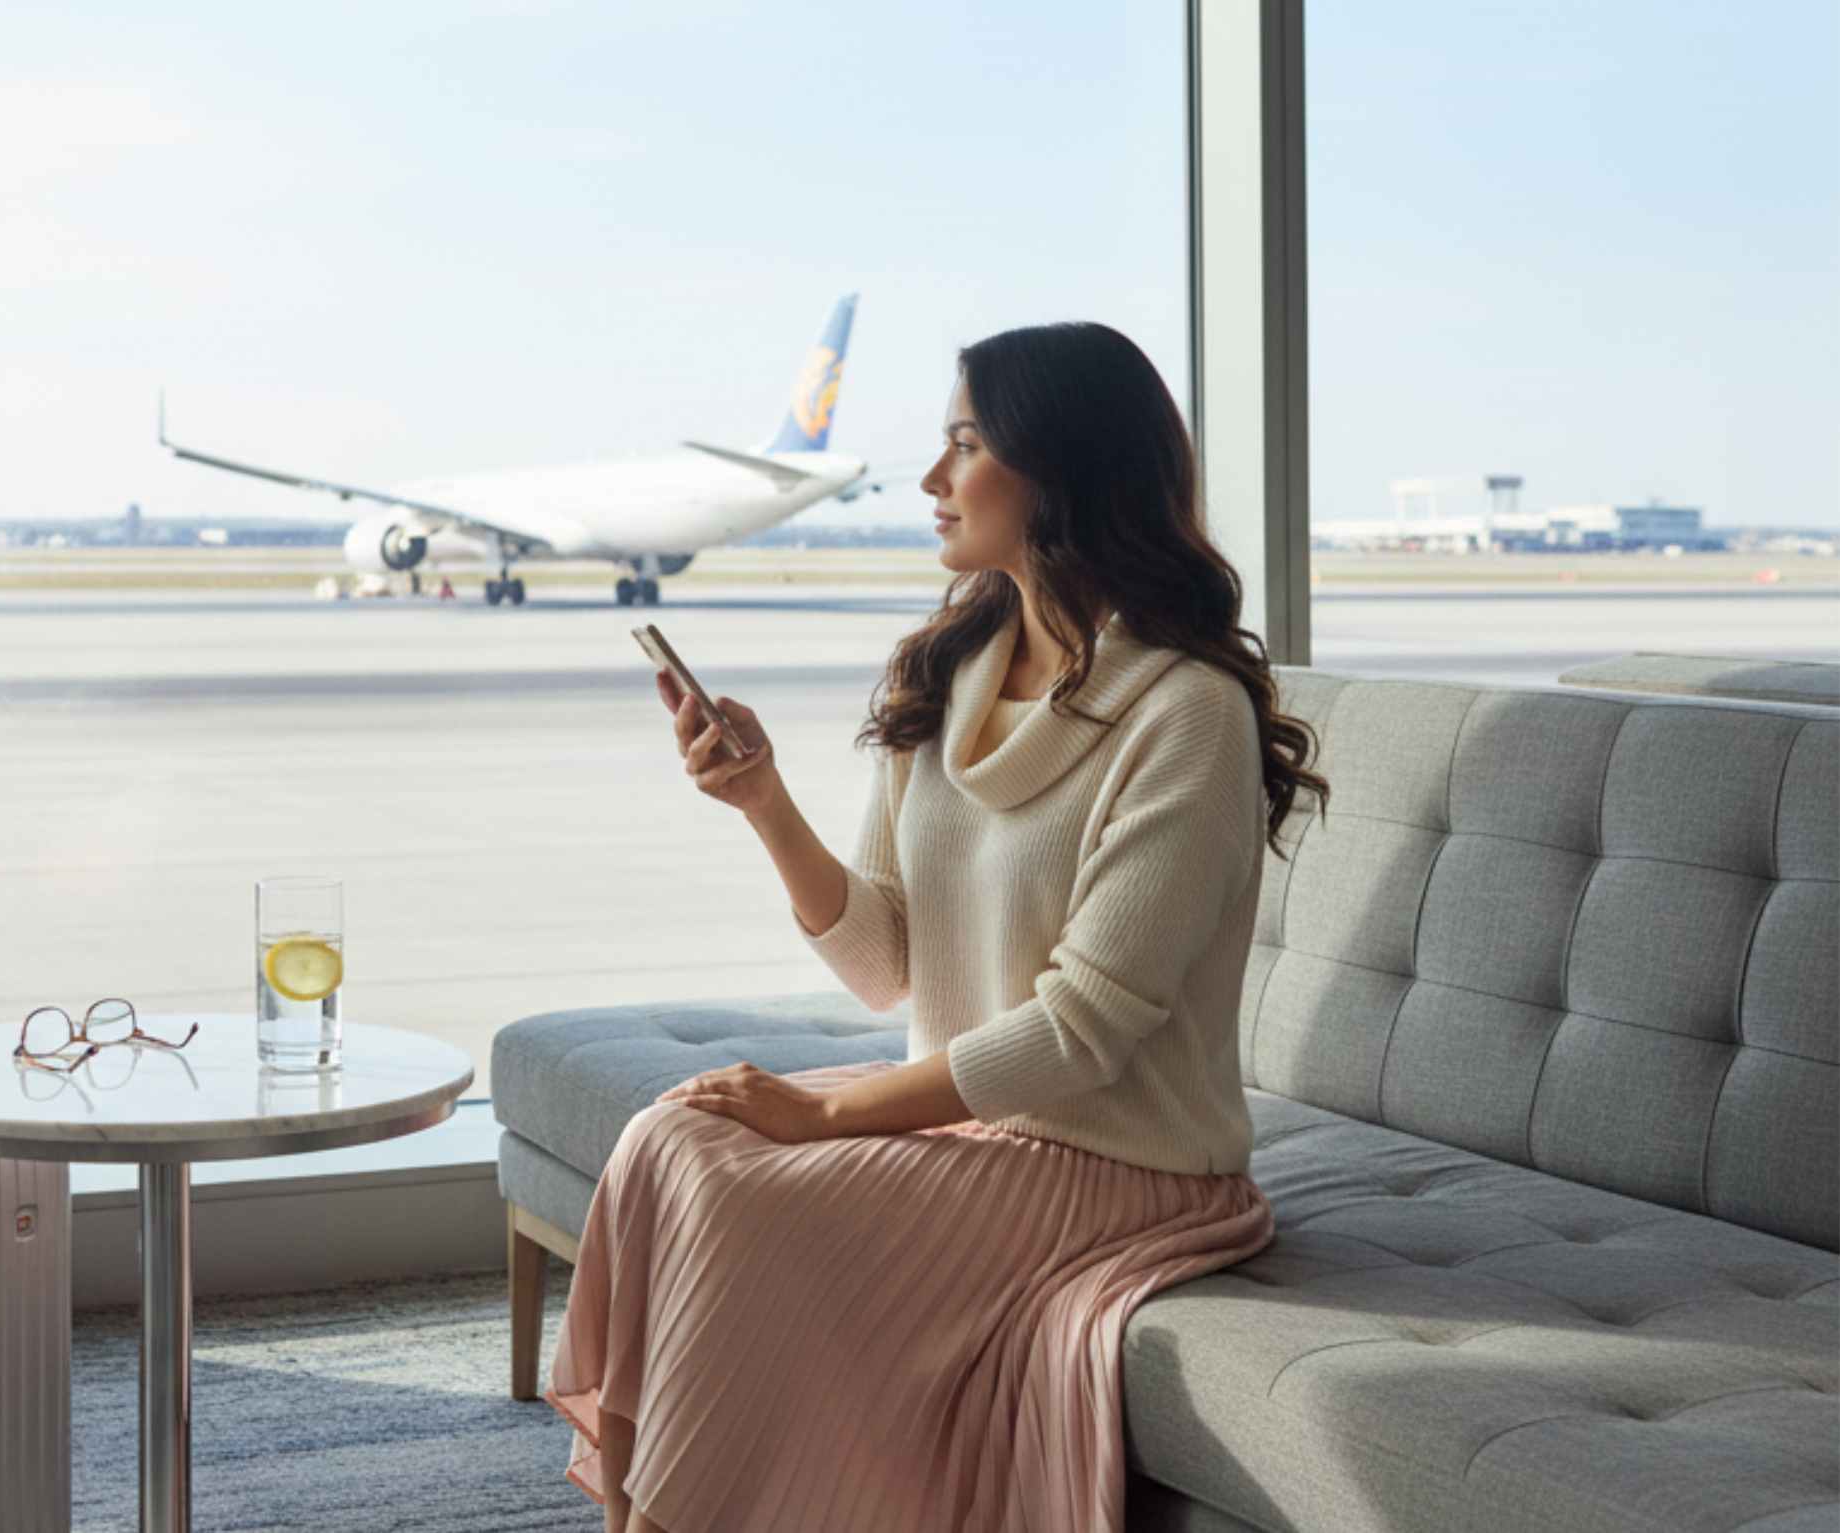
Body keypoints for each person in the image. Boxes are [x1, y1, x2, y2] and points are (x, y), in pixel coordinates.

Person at [541, 321, 1333, 1533]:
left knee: (744, 1200)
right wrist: (764, 802)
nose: (930, 478)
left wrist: (826, 1115)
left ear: (1060, 469)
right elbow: (884, 964)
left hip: (1124, 1163)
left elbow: (1081, 1031)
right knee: (671, 1140)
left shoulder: (1187, 714)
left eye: (964, 445)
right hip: (973, 1120)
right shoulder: (952, 671)